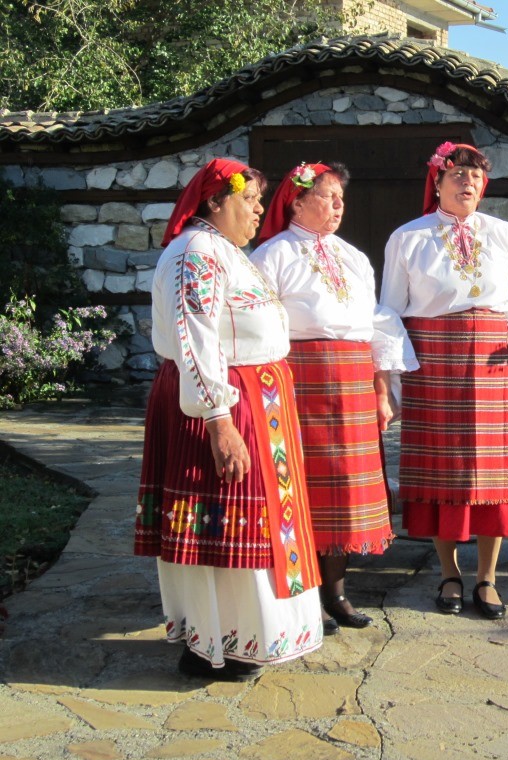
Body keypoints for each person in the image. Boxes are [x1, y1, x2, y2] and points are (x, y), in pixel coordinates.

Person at [134, 158, 322, 681]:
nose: (259, 211)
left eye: (261, 201)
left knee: (256, 522)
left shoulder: (227, 253)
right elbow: (197, 336)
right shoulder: (196, 252)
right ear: (216, 201)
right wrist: (219, 421)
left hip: (257, 402)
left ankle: (242, 639)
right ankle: (215, 643)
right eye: (249, 200)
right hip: (222, 403)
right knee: (225, 524)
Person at [380, 141, 508, 620]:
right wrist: (394, 379)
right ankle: (449, 572)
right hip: (432, 363)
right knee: (443, 472)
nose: (467, 182)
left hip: (492, 360)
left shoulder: (501, 233)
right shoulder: (407, 238)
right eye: (457, 175)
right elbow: (390, 311)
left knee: (491, 473)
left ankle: (488, 578)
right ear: (436, 182)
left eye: (475, 177)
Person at [250, 162, 417, 634]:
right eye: (327, 195)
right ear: (297, 201)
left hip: (351, 380)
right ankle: (305, 597)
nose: (338, 204)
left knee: (344, 492)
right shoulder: (272, 255)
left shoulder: (353, 257)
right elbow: (261, 328)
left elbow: (376, 324)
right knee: (302, 490)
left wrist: (382, 390)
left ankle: (337, 593)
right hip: (299, 379)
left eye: (341, 196)